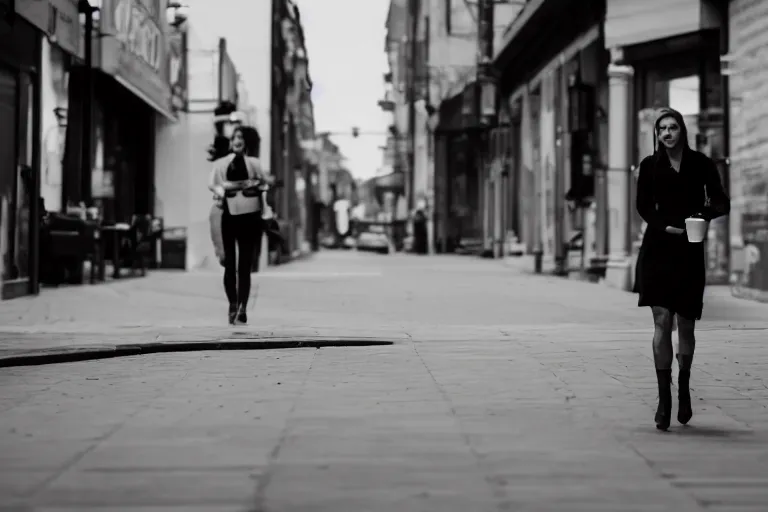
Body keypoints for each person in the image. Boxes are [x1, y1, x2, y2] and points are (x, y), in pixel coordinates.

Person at [634, 107, 730, 431]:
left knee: (686, 325)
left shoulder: (701, 164)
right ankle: (664, 399)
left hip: (689, 250)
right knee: (662, 321)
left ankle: (684, 387)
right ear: (657, 135)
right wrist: (664, 227)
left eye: (673, 127)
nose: (667, 133)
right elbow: (643, 206)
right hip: (658, 247)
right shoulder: (649, 166)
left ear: (682, 130)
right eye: (662, 129)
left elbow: (721, 202)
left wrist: (701, 217)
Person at [208, 127, 274, 325]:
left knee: (244, 266)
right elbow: (214, 185)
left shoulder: (254, 163)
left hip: (250, 216)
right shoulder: (221, 164)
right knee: (229, 265)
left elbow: (264, 184)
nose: (237, 140)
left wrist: (255, 185)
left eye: (241, 137)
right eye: (235, 137)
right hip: (228, 214)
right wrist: (232, 187)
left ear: (247, 142)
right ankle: (232, 305)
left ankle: (243, 308)